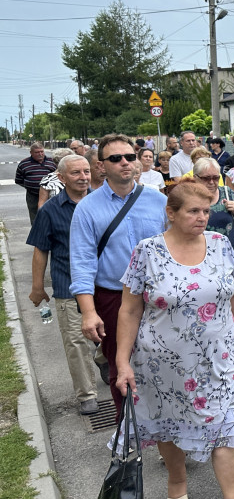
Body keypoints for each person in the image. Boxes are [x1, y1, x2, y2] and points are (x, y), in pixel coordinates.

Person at [112, 178, 234, 499]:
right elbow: (130, 310)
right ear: (171, 213)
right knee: (170, 424)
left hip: (218, 359)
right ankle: (177, 479)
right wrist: (122, 361)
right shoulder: (148, 251)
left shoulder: (221, 244)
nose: (202, 218)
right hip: (162, 363)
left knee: (227, 427)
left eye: (207, 211)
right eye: (194, 211)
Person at [71, 134, 167, 416]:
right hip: (113, 298)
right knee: (120, 365)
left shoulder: (158, 200)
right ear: (101, 166)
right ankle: (128, 433)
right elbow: (82, 263)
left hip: (158, 296)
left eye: (129, 157)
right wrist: (89, 313)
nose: (124, 163)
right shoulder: (87, 209)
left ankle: (169, 433)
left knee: (166, 361)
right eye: (115, 158)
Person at [27, 155, 99, 414]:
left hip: (103, 283)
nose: (83, 177)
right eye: (76, 173)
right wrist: (37, 287)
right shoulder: (50, 209)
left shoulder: (101, 202)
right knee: (76, 341)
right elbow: (40, 249)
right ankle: (86, 394)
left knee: (110, 336)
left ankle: (103, 360)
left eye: (86, 171)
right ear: (61, 177)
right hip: (67, 284)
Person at [195, 157, 234, 264]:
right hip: (200, 257)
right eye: (206, 178)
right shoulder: (188, 197)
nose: (211, 182)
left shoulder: (227, 193)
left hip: (229, 256)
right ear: (195, 178)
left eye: (215, 178)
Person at [15, 142, 57, 226]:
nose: (40, 154)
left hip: (50, 195)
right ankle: (37, 236)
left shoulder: (52, 162)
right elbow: (18, 180)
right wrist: (30, 186)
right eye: (37, 152)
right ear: (31, 152)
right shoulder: (24, 164)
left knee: (52, 216)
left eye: (42, 151)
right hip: (33, 196)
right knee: (35, 218)